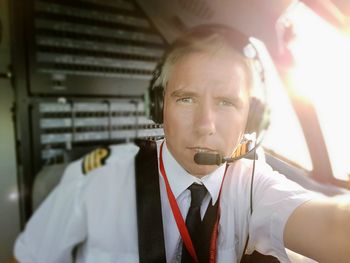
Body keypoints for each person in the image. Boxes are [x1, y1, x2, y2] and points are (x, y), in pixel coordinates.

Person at [12, 24, 350, 263]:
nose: (205, 126)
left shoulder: (252, 185)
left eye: (226, 102)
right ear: (159, 107)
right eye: (186, 99)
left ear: (252, 118)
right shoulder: (98, 179)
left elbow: (333, 225)